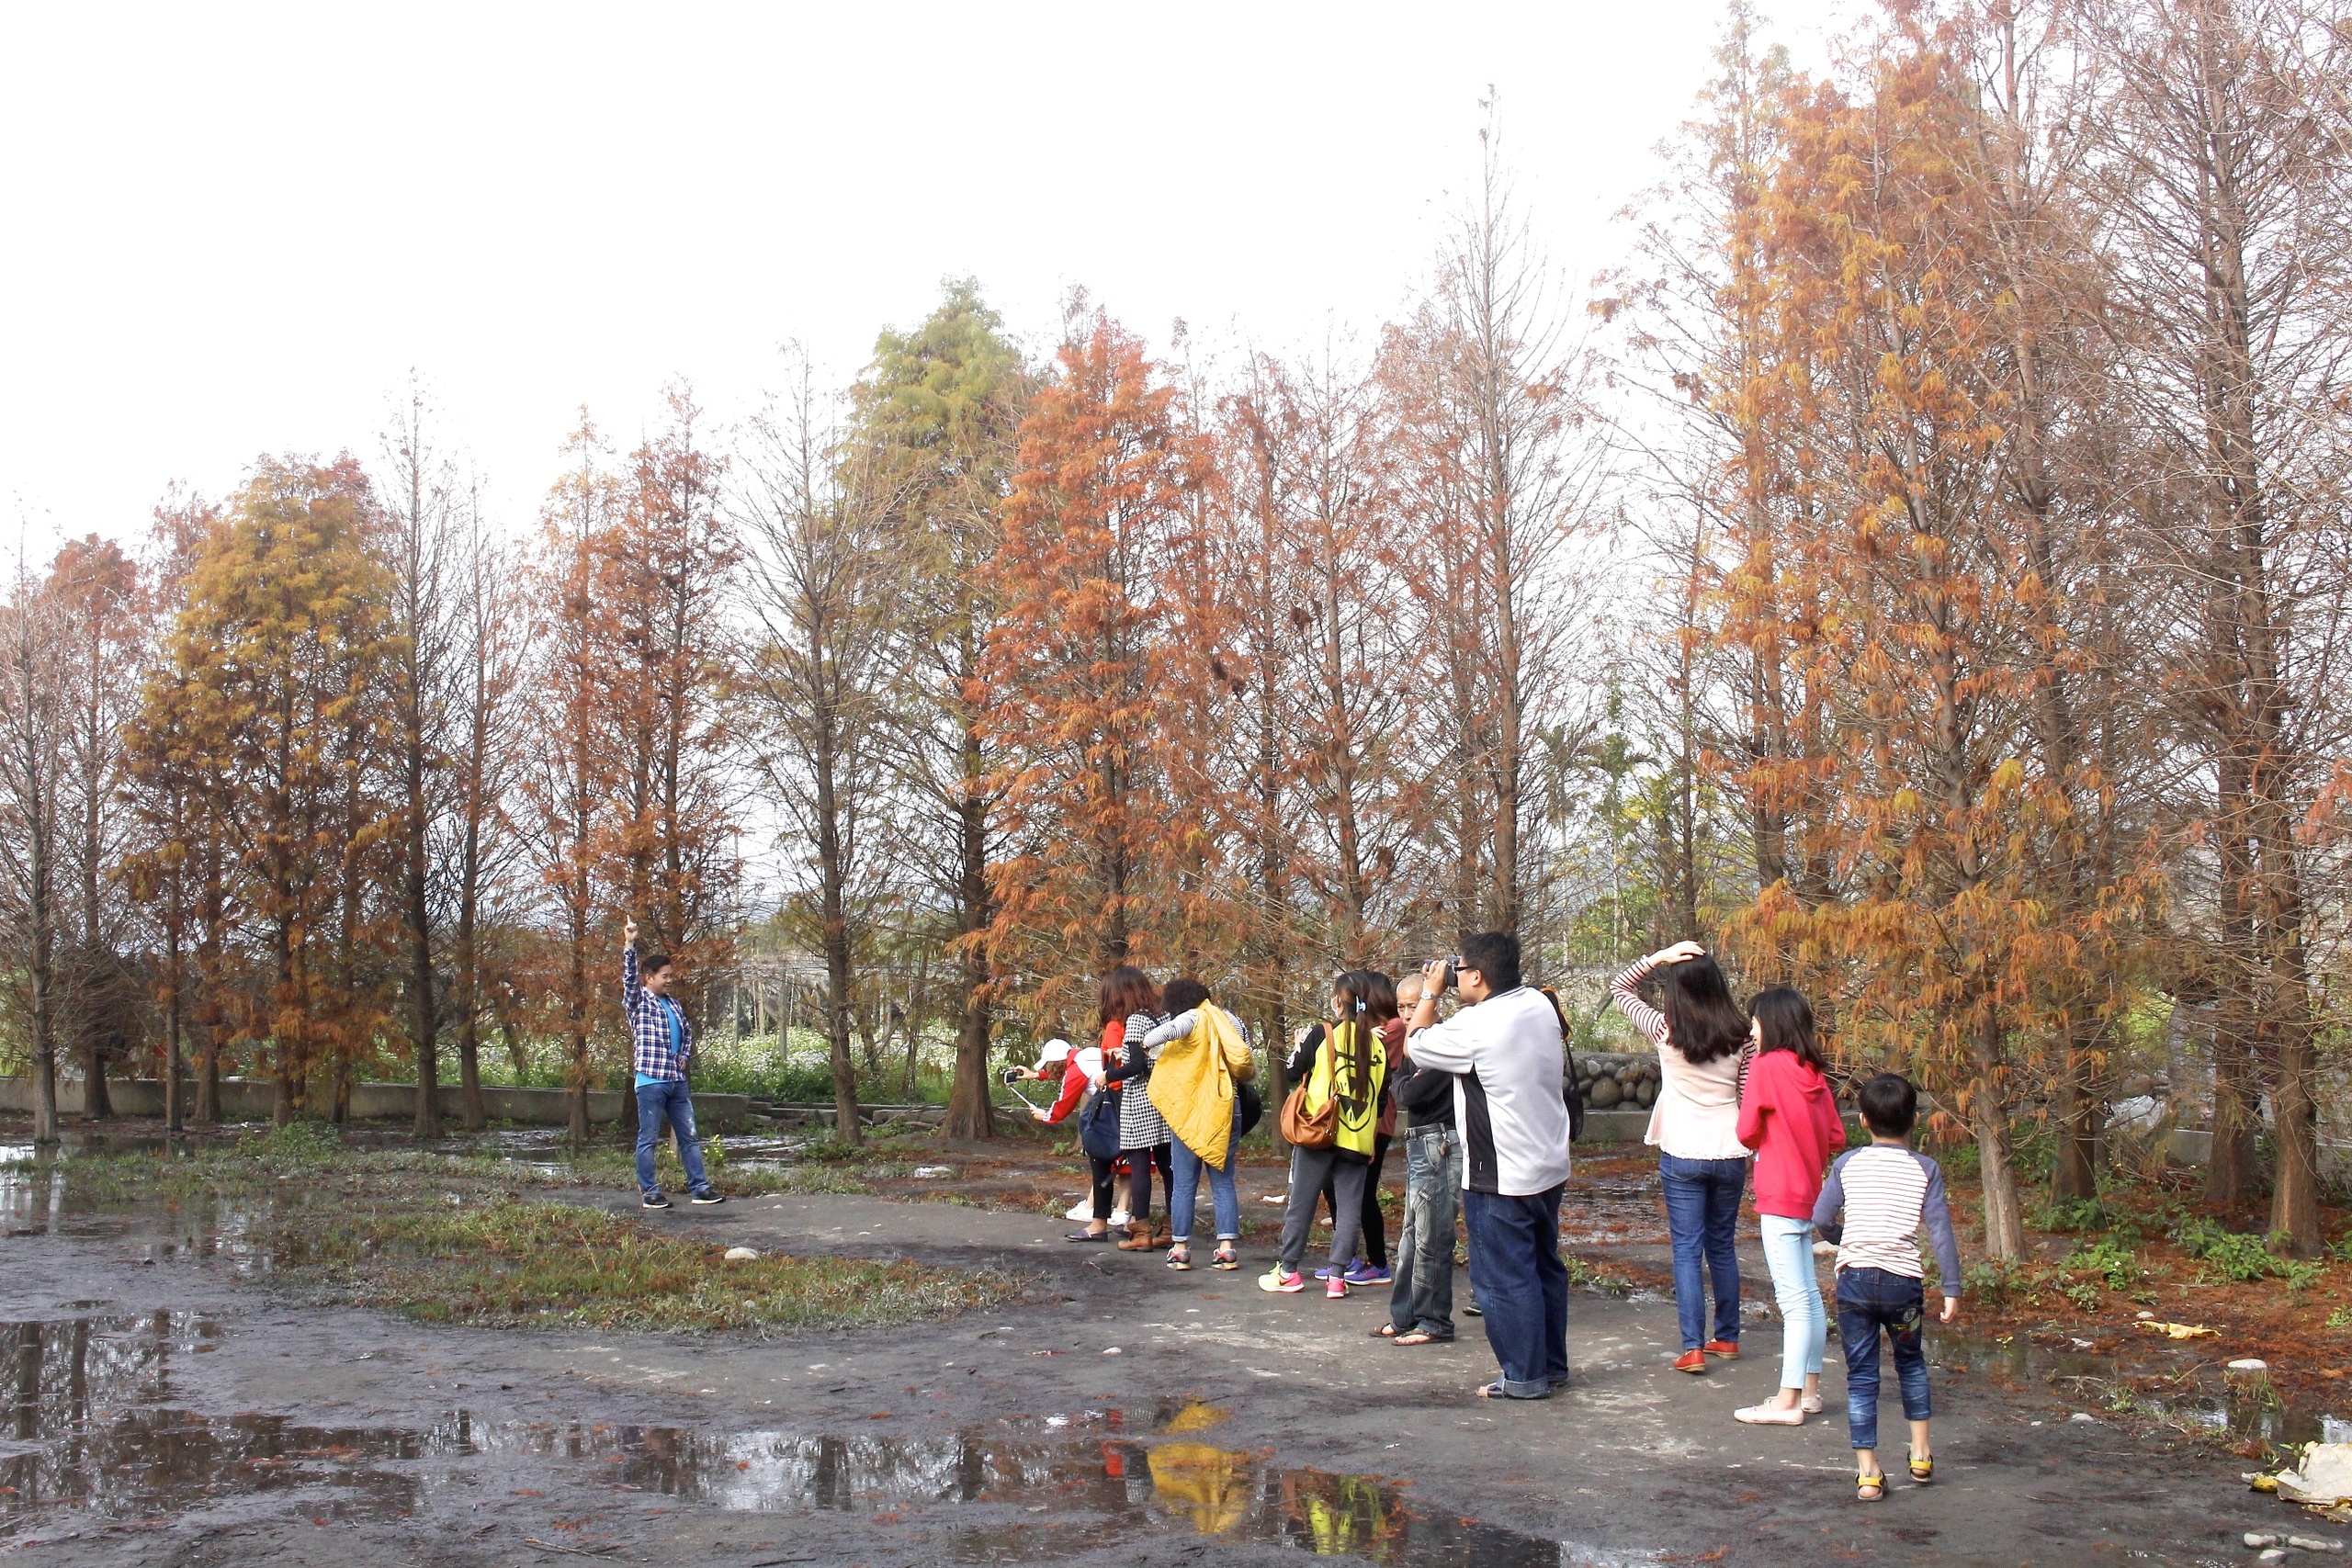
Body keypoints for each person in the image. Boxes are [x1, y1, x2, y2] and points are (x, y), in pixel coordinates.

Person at [1405, 932, 1572, 1400]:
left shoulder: (1477, 1026)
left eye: (1458, 968)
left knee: (1502, 1277)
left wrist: (1431, 992)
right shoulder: (1540, 1005)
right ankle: (1550, 1367)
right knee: (1544, 1269)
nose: (1452, 974)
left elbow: (1416, 1045)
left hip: (1498, 1172)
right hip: (1548, 1163)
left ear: (1477, 976)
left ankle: (1522, 1376)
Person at [1813, 1073, 1961, 1501]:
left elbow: (1822, 1219)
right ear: (1915, 1119)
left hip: (1855, 1283)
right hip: (1903, 1286)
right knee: (1911, 1364)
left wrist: (1846, 1239)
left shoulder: (1847, 1164)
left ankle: (1869, 1473)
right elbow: (1940, 1232)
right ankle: (1919, 1453)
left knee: (1861, 1376)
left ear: (1863, 1120)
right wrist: (1951, 1286)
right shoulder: (1926, 1169)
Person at [1610, 939, 1752, 1373]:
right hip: (1730, 1150)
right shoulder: (1742, 1035)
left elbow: (1619, 989)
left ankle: (1692, 1347)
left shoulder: (1664, 1028)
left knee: (1687, 1250)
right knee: (1722, 1247)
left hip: (1683, 1150)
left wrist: (1658, 957)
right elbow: (1745, 1096)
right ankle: (1726, 1337)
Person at [1733, 987, 1846, 1425]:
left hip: (1778, 1195)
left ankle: (1786, 1401)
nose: (1752, 1030)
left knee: (1794, 1302)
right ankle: (1811, 1391)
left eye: (1756, 1022)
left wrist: (1768, 1136)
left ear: (1773, 1024)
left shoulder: (1765, 1066)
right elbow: (1836, 1136)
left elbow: (1745, 1130)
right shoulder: (1813, 1071)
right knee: (1810, 1298)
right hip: (1810, 1198)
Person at [1262, 972, 1389, 1299]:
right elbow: (1382, 1097)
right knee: (1349, 1209)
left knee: (1302, 1204)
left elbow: (1292, 1073)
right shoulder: (1378, 1045)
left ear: (1337, 1001)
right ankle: (1337, 1277)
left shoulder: (1323, 1033)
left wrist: (1297, 1046)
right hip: (1359, 1139)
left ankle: (1289, 1270)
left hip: (1318, 1130)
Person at [1144, 977, 1255, 1271]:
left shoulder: (1192, 1017)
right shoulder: (1228, 1019)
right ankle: (1227, 1249)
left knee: (1183, 1183)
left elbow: (1163, 1033)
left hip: (1192, 1111)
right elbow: (1244, 1047)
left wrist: (1145, 1044)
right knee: (1223, 1180)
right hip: (1228, 1107)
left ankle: (1180, 1249)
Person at [1382, 970, 1463, 1344]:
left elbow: (1411, 1094)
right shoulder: (1414, 1045)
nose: (1407, 1013)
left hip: (1440, 1142)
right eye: (1402, 1006)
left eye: (1414, 1005)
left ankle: (1433, 1320)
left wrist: (1404, 1084)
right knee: (1410, 1235)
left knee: (1433, 1235)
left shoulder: (1444, 1040)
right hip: (1419, 1140)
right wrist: (1404, 1083)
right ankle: (1405, 1316)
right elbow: (1399, 1083)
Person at [622, 919, 723, 1211]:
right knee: (648, 1139)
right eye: (664, 976)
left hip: (676, 1081)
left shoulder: (674, 1004)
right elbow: (628, 979)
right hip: (651, 1081)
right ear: (649, 978)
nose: (669, 980)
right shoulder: (639, 1001)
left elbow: (687, 1034)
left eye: (670, 976)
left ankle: (700, 1188)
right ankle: (650, 1192)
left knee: (690, 1136)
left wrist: (683, 1057)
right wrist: (630, 944)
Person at [1317, 970, 1402, 1287]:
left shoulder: (1393, 1028)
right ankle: (1349, 1257)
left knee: (1361, 1192)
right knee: (1343, 1189)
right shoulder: (1370, 1029)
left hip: (1373, 1122)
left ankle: (1375, 1262)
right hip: (1356, 1121)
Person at [1098, 965, 1172, 1251]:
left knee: (1139, 1166)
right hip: (1165, 1098)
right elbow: (1152, 1056)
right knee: (1168, 1166)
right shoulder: (1164, 1016)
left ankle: (1141, 1232)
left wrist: (1109, 1074)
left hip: (1140, 1101)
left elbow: (1137, 1066)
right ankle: (1171, 1227)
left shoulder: (1136, 1021)